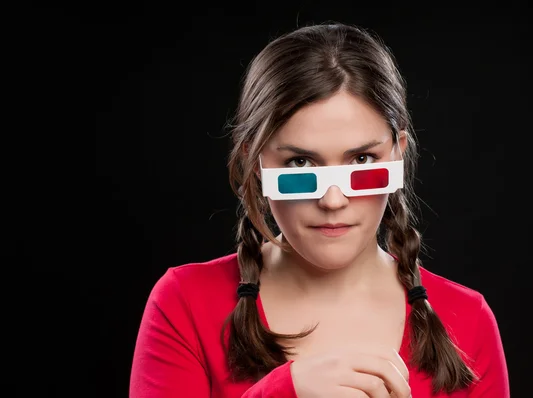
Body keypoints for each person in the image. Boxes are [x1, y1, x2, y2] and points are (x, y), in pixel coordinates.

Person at [129, 22, 510, 398]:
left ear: (398, 153)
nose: (332, 200)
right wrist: (283, 392)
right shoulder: (183, 304)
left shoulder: (469, 321)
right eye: (300, 164)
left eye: (362, 160)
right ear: (253, 162)